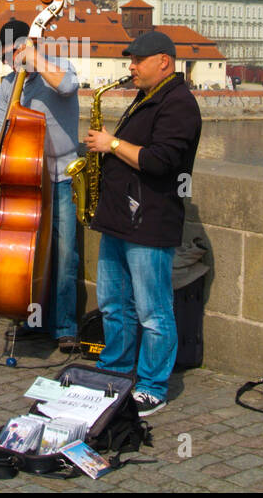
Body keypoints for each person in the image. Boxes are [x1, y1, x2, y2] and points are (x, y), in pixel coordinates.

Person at [84, 31, 201, 416]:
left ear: (163, 62)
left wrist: (111, 144)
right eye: (130, 60)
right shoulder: (147, 96)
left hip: (150, 222)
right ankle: (115, 370)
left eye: (137, 60)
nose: (130, 67)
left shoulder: (180, 104)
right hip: (119, 218)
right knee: (114, 304)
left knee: (153, 311)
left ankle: (152, 386)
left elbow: (160, 161)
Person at [0, 19, 81, 351]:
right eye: (4, 57)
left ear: (27, 45)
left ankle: (64, 326)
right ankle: (29, 317)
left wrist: (35, 59)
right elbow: (0, 121)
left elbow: (68, 87)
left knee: (64, 256)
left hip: (62, 175)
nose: (8, 63)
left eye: (11, 55)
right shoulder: (10, 82)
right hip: (25, 179)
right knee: (29, 254)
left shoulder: (57, 65)